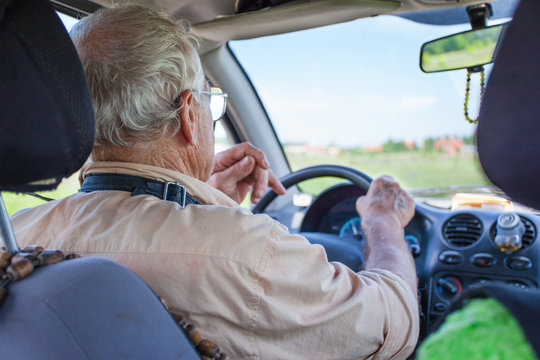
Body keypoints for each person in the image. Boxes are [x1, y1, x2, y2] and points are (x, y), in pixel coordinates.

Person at [11, 5, 419, 359]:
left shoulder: (15, 238)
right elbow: (391, 324)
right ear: (189, 113)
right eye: (209, 100)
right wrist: (383, 222)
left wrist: (202, 197)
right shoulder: (251, 254)